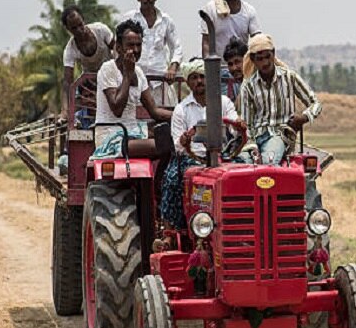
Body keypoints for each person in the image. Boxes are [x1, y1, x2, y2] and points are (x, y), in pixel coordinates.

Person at [160, 58, 244, 230]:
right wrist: (184, 140)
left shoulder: (224, 102)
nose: (199, 81)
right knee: (172, 180)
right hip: (191, 158)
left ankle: (239, 223)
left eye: (203, 76)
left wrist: (239, 124)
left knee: (244, 173)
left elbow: (235, 125)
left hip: (222, 156)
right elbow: (177, 145)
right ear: (188, 82)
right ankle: (172, 230)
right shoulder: (181, 109)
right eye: (194, 77)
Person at [93, 19, 172, 157]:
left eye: (138, 45)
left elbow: (154, 111)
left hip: (133, 132)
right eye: (130, 45)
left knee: (171, 135)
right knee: (162, 145)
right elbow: (117, 109)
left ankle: (160, 178)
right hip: (110, 137)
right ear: (118, 47)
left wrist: (182, 115)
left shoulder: (139, 73)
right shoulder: (108, 69)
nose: (135, 50)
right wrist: (128, 75)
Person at [239, 33, 321, 165]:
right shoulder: (248, 86)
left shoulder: (289, 77)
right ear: (253, 60)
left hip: (280, 135)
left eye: (268, 57)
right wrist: (252, 148)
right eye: (260, 59)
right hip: (257, 138)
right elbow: (247, 125)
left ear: (273, 53)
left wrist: (304, 117)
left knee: (269, 162)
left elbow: (315, 103)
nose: (265, 63)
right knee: (241, 163)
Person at [122, 0, 182, 107]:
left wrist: (172, 68)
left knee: (163, 119)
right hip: (134, 80)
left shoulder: (166, 20)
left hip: (160, 82)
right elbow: (118, 47)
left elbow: (177, 48)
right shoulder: (129, 18)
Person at [60, 5, 115, 122]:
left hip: (111, 78)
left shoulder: (101, 30)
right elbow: (67, 82)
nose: (79, 30)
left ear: (83, 19)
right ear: (67, 29)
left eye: (80, 24)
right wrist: (65, 110)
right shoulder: (70, 50)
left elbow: (117, 50)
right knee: (79, 104)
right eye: (74, 28)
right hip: (90, 84)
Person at [221, 37, 247, 103]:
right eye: (230, 64)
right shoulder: (228, 84)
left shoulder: (256, 82)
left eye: (237, 62)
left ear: (247, 60)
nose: (234, 68)